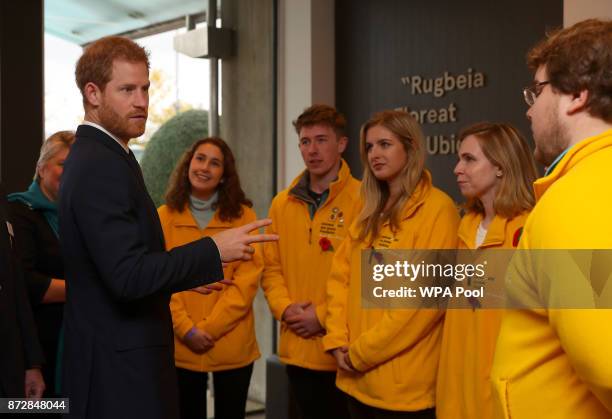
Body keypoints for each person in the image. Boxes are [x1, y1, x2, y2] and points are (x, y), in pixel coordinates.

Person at [59, 36, 276, 419]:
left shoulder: (111, 155)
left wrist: (188, 273)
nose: (142, 100)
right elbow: (127, 278)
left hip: (122, 364)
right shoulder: (100, 164)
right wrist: (212, 251)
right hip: (119, 375)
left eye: (144, 88)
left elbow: (128, 263)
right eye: (127, 89)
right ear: (92, 94)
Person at [491, 19, 612, 418]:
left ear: (577, 95)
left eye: (538, 91)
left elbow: (607, 365)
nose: (529, 108)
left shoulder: (576, 196)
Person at [323, 110, 459, 418]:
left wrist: (359, 353)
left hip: (403, 392)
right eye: (369, 147)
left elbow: (423, 304)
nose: (374, 154)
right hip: (354, 382)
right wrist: (336, 339)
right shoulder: (368, 206)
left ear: (410, 148)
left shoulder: (439, 210)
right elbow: (340, 278)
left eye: (385, 144)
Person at [262, 104, 360, 419]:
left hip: (343, 352)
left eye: (321, 140)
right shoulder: (282, 203)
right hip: (296, 349)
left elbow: (363, 275)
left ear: (341, 144)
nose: (312, 150)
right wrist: (285, 309)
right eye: (305, 141)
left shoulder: (364, 200)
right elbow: (271, 267)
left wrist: (320, 316)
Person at [436, 122, 537, 419]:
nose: (457, 168)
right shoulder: (464, 225)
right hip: (456, 393)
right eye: (458, 158)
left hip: (506, 398)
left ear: (501, 167)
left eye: (469, 159)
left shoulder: (531, 227)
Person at [158, 137, 263, 419]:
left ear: (224, 175)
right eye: (200, 159)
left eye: (215, 163)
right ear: (188, 164)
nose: (205, 167)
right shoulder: (164, 218)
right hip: (181, 346)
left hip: (231, 345)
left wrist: (211, 328)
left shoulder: (245, 217)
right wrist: (186, 329)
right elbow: (160, 278)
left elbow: (247, 281)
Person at [7, 131, 74, 402]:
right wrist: (87, 291)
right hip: (36, 346)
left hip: (76, 339)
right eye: (63, 164)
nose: (70, 173)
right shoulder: (18, 212)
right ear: (41, 167)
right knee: (38, 409)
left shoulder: (78, 216)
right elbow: (26, 283)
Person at [0, 185, 45, 398]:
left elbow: (15, 285)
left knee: (55, 407)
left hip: (11, 363)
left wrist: (32, 363)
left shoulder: (2, 198)